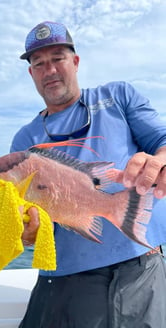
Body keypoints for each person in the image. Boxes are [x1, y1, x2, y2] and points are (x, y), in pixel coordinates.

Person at [10, 21, 166, 328]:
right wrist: (23, 232)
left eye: (58, 58)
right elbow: (24, 221)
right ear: (31, 74)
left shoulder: (119, 97)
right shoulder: (25, 139)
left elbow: (162, 140)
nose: (49, 70)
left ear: (76, 61)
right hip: (62, 280)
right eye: (39, 64)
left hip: (139, 271)